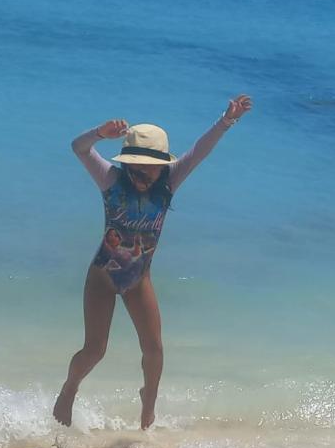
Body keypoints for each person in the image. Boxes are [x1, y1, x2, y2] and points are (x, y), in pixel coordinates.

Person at [54, 95, 253, 429]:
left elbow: (200, 152)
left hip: (138, 279)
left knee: (155, 352)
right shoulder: (112, 181)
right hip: (102, 276)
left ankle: (147, 411)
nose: (140, 171)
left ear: (161, 164)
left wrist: (226, 121)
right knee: (95, 350)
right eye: (134, 164)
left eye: (148, 165)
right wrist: (99, 134)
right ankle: (69, 389)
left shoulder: (169, 183)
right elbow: (79, 148)